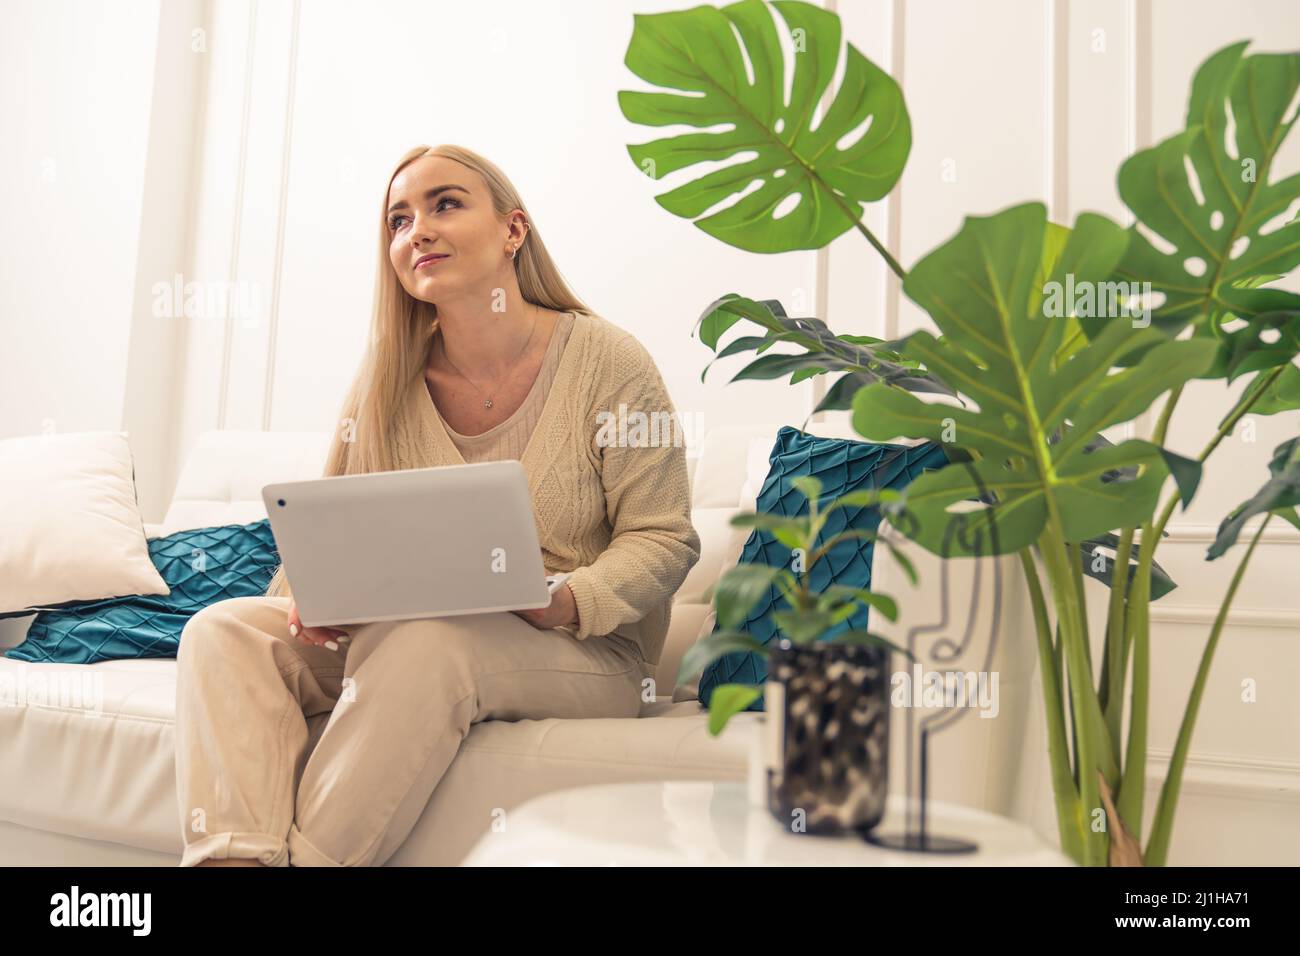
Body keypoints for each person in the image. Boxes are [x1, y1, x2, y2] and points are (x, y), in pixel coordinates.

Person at [173, 144, 701, 867]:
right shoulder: (387, 378)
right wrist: (312, 602)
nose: (416, 229)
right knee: (223, 631)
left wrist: (569, 598)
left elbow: (663, 538)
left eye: (445, 204)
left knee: (430, 641)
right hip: (398, 636)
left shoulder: (609, 361)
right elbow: (326, 533)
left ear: (513, 230)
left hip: (584, 650)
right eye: (398, 219)